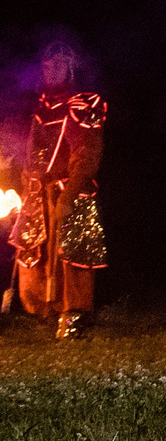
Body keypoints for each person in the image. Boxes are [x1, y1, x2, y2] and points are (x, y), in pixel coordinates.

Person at [8, 41, 108, 340]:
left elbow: (87, 152)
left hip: (70, 189)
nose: (51, 70)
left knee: (70, 254)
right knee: (34, 248)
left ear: (71, 68)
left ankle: (73, 314)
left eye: (59, 65)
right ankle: (44, 312)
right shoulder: (40, 106)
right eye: (47, 65)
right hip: (40, 190)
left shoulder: (83, 104)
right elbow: (29, 151)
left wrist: (70, 193)